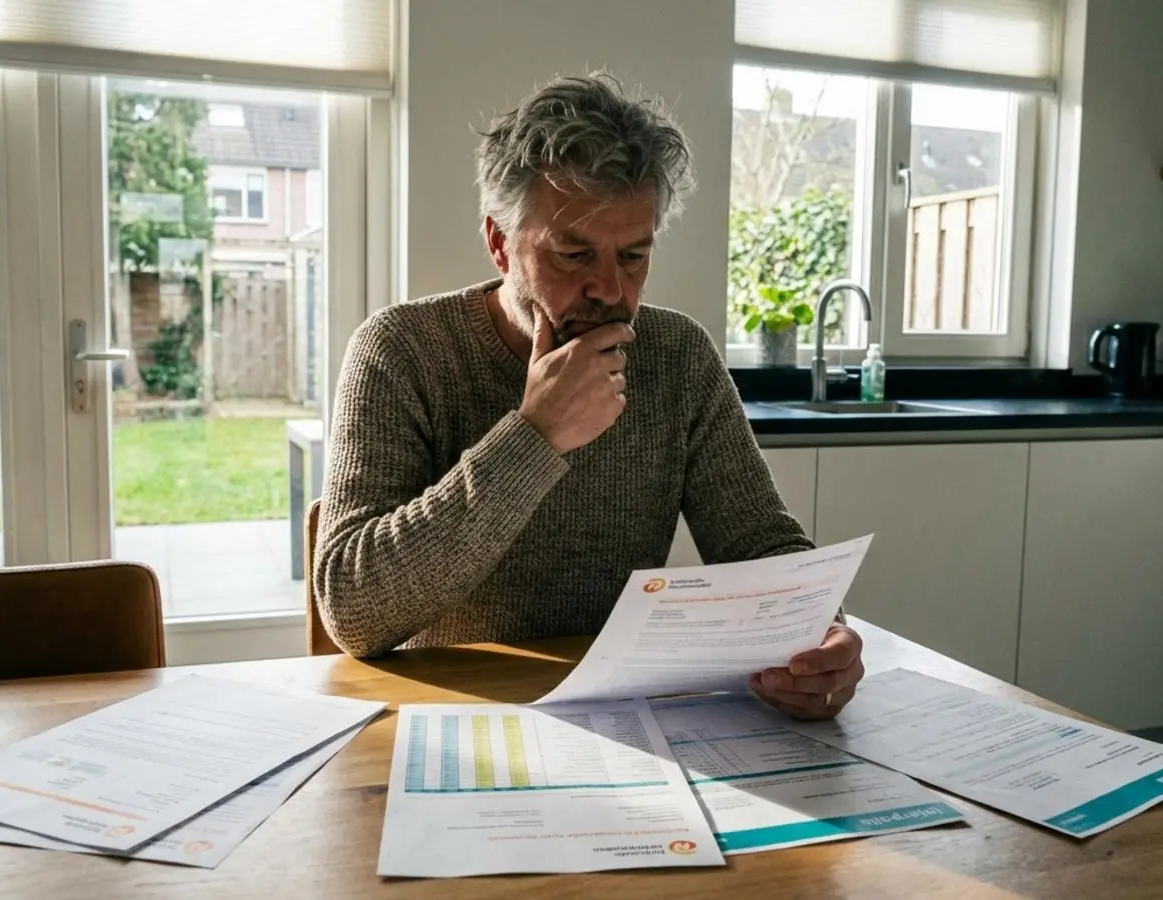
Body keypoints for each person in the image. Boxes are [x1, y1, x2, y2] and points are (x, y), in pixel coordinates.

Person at [314, 72, 864, 719]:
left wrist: (821, 634)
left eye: (633, 256)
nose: (608, 289)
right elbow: (352, 607)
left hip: (620, 717)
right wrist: (533, 437)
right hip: (449, 720)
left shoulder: (677, 355)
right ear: (498, 242)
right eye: (573, 255)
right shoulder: (400, 349)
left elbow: (761, 545)